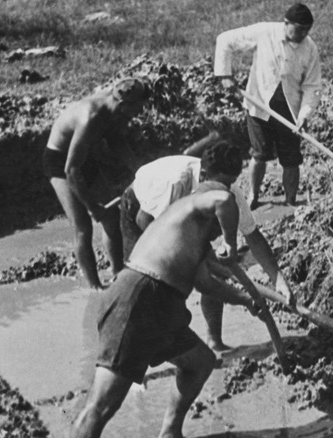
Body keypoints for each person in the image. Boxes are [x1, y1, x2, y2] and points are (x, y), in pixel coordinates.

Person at [71, 180, 262, 438]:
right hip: (138, 299)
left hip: (162, 306)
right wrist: (230, 242)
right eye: (220, 226)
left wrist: (247, 300)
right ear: (211, 214)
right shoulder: (192, 207)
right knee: (101, 406)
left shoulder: (191, 237)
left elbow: (206, 284)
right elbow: (225, 200)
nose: (218, 234)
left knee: (200, 362)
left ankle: (170, 433)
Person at [120, 134, 294, 351]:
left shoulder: (228, 193)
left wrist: (278, 279)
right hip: (140, 208)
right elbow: (145, 221)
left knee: (214, 273)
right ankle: (134, 361)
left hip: (180, 221)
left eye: (230, 183)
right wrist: (192, 258)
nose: (226, 189)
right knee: (143, 286)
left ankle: (215, 340)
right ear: (203, 175)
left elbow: (253, 236)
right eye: (222, 183)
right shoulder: (177, 182)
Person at [43, 77, 150, 289]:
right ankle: (95, 287)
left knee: (112, 218)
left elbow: (116, 141)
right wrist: (92, 207)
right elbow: (71, 170)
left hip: (84, 158)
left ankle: (118, 274)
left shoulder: (115, 109)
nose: (140, 113)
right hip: (60, 162)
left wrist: (142, 171)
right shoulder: (90, 117)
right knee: (83, 226)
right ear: (123, 105)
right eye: (138, 108)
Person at [214, 3, 322, 209]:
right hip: (259, 105)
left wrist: (304, 115)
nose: (302, 34)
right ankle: (253, 197)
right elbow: (225, 40)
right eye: (298, 29)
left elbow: (312, 86)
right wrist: (225, 75)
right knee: (259, 153)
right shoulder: (265, 32)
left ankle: (290, 201)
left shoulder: (310, 48)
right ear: (286, 23)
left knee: (291, 159)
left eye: (306, 30)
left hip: (290, 111)